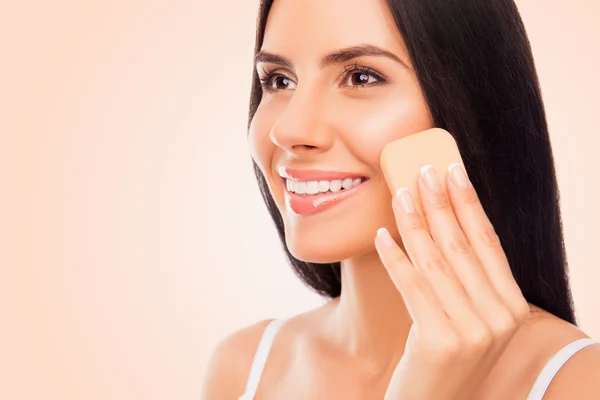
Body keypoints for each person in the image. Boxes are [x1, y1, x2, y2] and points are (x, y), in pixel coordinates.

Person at [200, 0, 600, 398]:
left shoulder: (579, 382)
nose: (289, 129)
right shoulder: (243, 367)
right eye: (279, 80)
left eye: (360, 77)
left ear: (468, 108)